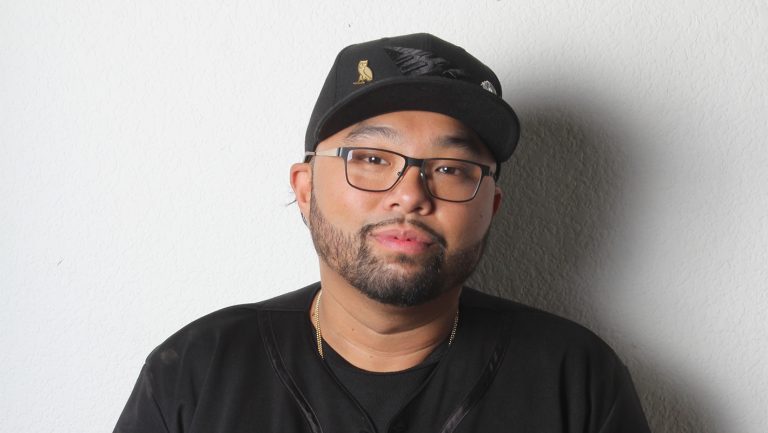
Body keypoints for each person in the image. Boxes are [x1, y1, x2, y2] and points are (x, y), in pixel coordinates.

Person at [113, 33, 651, 433]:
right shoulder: (198, 373)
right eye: (371, 158)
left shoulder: (576, 381)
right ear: (305, 188)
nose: (411, 194)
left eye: (450, 168)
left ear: (491, 206)